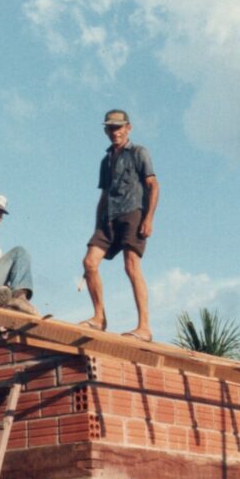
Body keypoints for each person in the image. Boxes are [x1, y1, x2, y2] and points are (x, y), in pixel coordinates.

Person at [80, 109, 160, 341]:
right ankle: (99, 318)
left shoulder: (138, 152)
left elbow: (153, 185)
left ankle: (144, 327)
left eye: (119, 127)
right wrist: (97, 226)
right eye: (111, 128)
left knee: (131, 266)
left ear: (128, 128)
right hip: (108, 218)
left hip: (132, 212)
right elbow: (104, 195)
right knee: (89, 262)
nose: (115, 132)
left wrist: (148, 218)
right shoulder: (106, 160)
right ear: (106, 130)